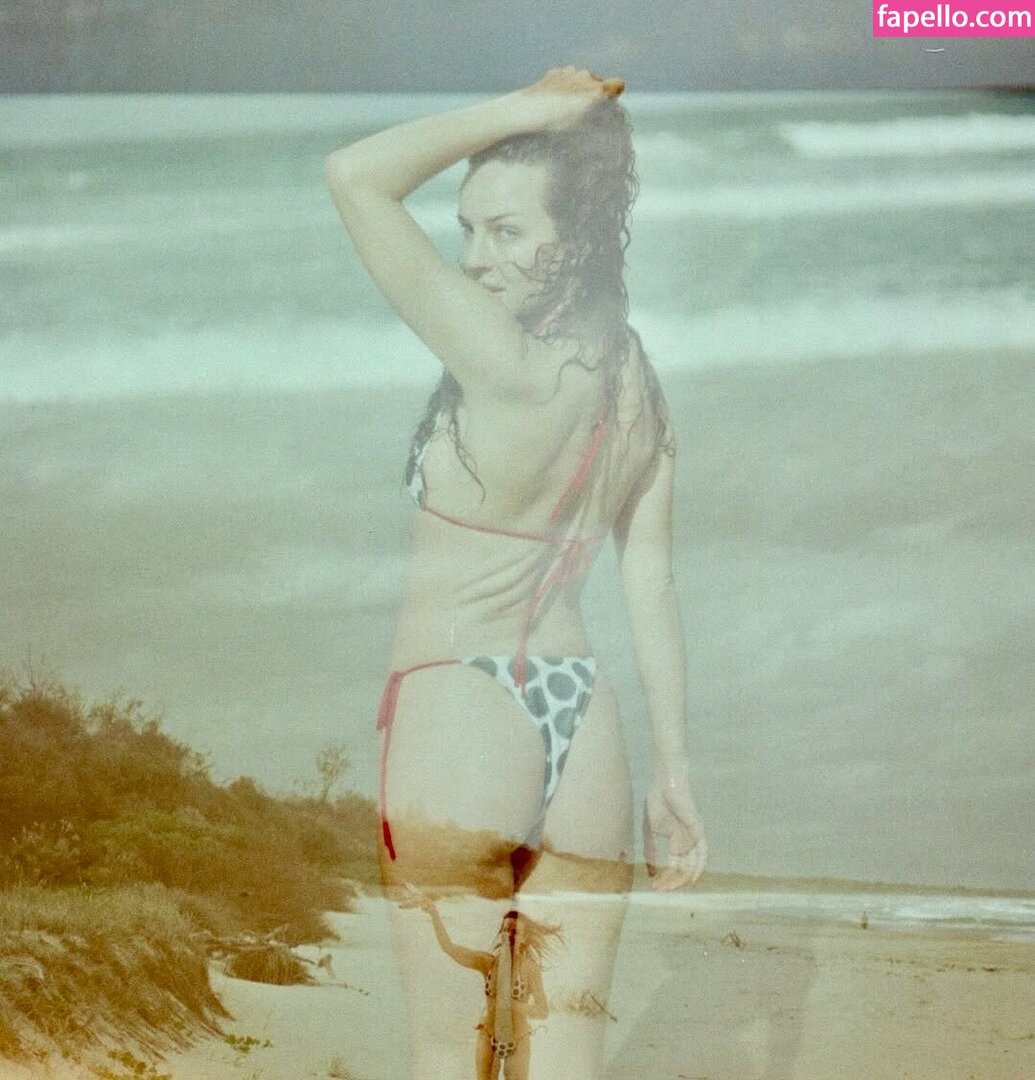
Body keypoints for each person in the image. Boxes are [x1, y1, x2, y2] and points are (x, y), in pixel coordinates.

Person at [325, 67, 707, 1078]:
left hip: (459, 708)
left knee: (447, 1055)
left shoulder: (499, 360)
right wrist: (672, 773)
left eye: (506, 232)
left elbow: (355, 174)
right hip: (587, 725)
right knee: (568, 1057)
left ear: (572, 240)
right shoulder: (635, 383)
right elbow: (652, 585)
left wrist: (528, 110)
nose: (475, 259)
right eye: (467, 230)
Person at [399, 886, 561, 1079]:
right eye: (505, 930)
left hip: (518, 1039)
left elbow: (542, 1011)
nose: (508, 935)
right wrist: (434, 914)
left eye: (515, 932)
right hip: (488, 1034)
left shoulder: (529, 969)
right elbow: (450, 948)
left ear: (525, 938)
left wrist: (512, 1004)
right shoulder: (488, 963)